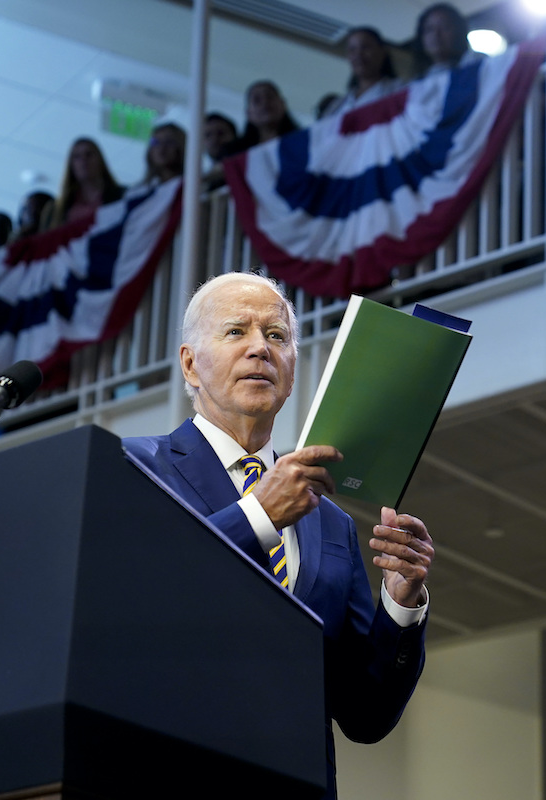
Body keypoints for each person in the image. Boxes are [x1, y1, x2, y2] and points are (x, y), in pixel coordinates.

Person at [123, 272, 432, 798]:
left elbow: (364, 714)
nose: (259, 349)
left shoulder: (329, 519)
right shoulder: (134, 466)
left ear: (292, 370)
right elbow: (139, 603)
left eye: (277, 336)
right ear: (190, 364)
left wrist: (402, 605)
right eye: (235, 332)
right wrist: (257, 517)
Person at [321, 27, 404, 117]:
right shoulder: (338, 105)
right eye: (352, 49)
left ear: (382, 51)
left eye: (365, 47)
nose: (358, 54)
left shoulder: (399, 90)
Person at [45, 137, 125, 229]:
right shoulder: (55, 210)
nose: (83, 160)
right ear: (71, 164)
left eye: (89, 154)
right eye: (77, 156)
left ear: (100, 160)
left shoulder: (122, 197)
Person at [219, 80, 301, 159]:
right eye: (257, 100)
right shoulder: (235, 153)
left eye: (270, 97)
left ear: (283, 104)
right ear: (248, 113)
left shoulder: (302, 144)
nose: (265, 102)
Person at [413, 3, 479, 77]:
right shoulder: (418, 83)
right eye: (429, 29)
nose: (436, 34)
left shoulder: (477, 62)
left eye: (445, 27)